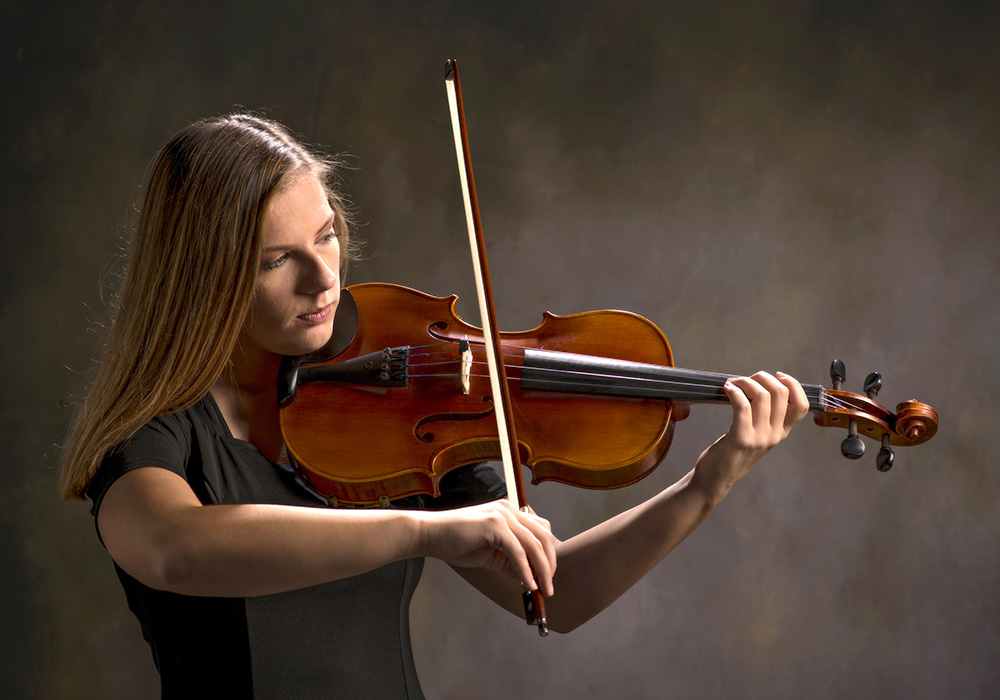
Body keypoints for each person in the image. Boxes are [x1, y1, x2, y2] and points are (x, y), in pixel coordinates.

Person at [59, 112, 810, 699]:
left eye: (328, 236)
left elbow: (558, 594)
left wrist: (709, 483)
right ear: (203, 274)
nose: (323, 278)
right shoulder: (153, 436)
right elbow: (175, 549)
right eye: (275, 259)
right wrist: (423, 530)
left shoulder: (394, 411)